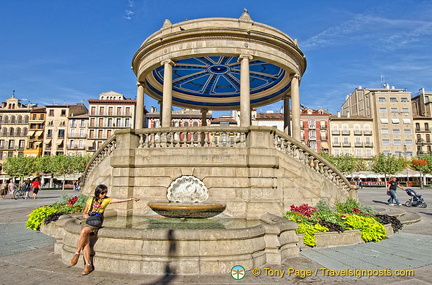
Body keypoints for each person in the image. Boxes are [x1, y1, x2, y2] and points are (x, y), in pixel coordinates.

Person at [70, 184, 140, 275]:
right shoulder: (90, 199)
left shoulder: (106, 200)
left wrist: (130, 199)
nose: (104, 194)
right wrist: (86, 216)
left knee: (83, 232)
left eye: (105, 192)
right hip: (88, 221)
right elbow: (84, 212)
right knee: (85, 241)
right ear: (98, 192)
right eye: (102, 193)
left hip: (97, 221)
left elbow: (118, 200)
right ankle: (88, 265)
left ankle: (77, 253)